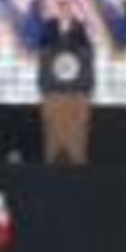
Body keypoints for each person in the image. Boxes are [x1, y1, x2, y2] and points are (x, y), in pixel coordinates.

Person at [32, 9, 96, 168]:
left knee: (77, 148)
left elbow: (86, 54)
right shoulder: (48, 30)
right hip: (53, 96)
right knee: (53, 145)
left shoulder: (80, 31)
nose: (64, 13)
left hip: (77, 97)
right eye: (61, 10)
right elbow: (44, 51)